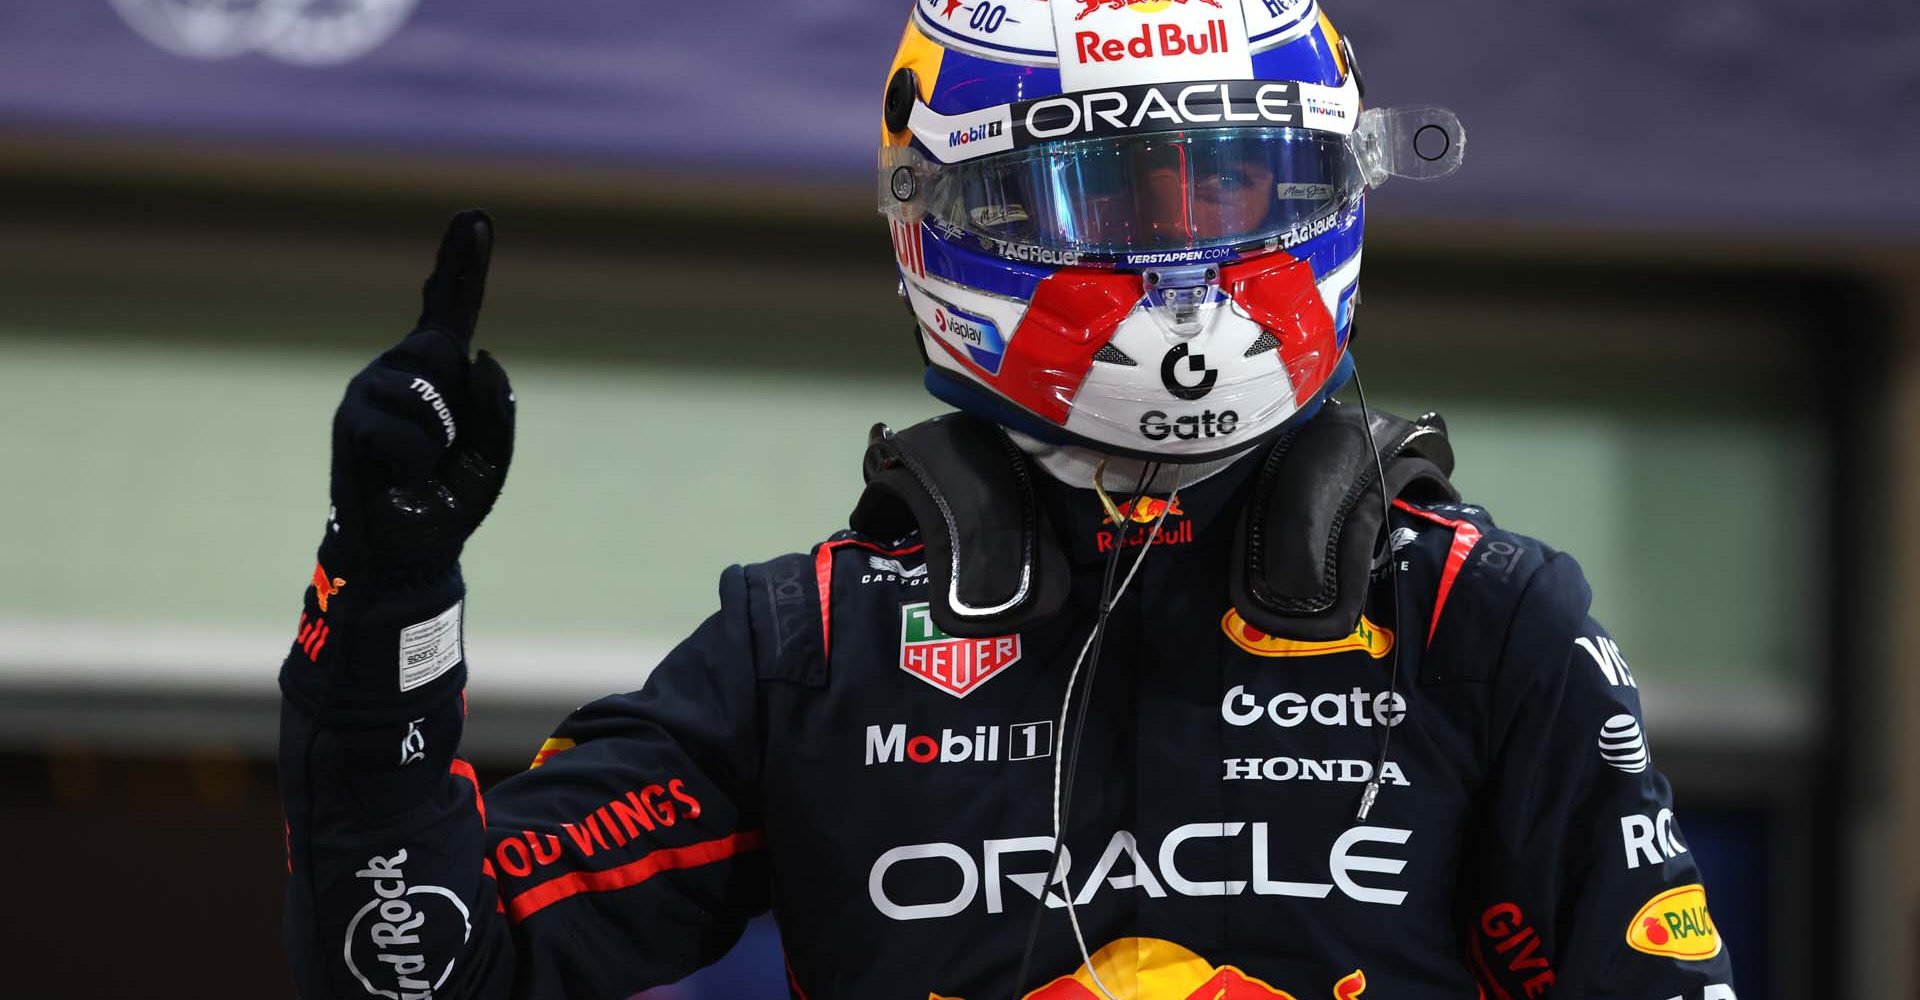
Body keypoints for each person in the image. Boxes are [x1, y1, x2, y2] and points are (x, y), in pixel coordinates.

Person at [278, 3, 1738, 998]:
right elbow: (409, 963)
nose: (1185, 265)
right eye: (1114, 201)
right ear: (945, 218)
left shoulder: (1474, 618)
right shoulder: (817, 647)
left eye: (1237, 190)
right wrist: (390, 591)